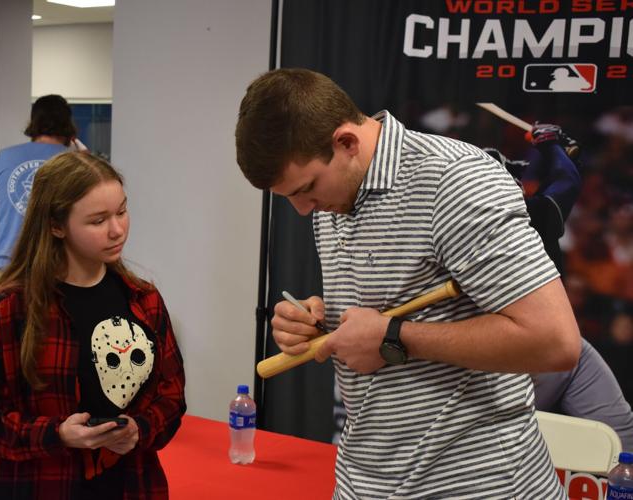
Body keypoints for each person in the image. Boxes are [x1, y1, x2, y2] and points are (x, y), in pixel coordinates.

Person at [235, 68, 581, 498]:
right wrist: (318, 324)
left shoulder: (455, 181)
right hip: (365, 482)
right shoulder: (336, 193)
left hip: (479, 486)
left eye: (306, 189)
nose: (303, 210)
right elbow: (387, 304)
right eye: (289, 196)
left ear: (345, 142)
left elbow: (555, 341)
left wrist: (395, 338)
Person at [0, 152, 186, 499]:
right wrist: (57, 434)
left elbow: (171, 395)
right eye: (98, 221)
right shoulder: (9, 310)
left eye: (122, 212)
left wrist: (139, 429)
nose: (117, 229)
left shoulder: (143, 299)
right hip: (42, 486)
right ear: (55, 225)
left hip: (133, 484)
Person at [486, 125, 633, 451]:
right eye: (509, 176)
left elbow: (566, 180)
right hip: (510, 363)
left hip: (532, 352)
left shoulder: (450, 224)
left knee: (619, 445)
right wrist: (550, 144)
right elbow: (566, 183)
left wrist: (564, 155)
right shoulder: (529, 214)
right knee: (620, 444)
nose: (518, 182)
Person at [0, 94, 76, 272]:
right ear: (67, 124)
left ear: (34, 121)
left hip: (6, 262)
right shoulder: (74, 162)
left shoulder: (4, 157)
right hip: (54, 265)